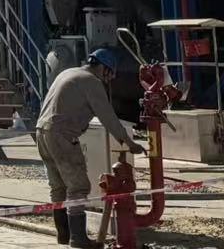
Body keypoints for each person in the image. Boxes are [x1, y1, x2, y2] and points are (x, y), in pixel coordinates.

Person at [35, 48, 143, 248]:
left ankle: (64, 235)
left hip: (42, 131)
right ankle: (78, 239)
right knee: (78, 187)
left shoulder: (68, 73)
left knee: (58, 187)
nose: (109, 79)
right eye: (110, 74)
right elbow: (108, 118)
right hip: (62, 135)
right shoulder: (91, 81)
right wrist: (130, 143)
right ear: (103, 67)